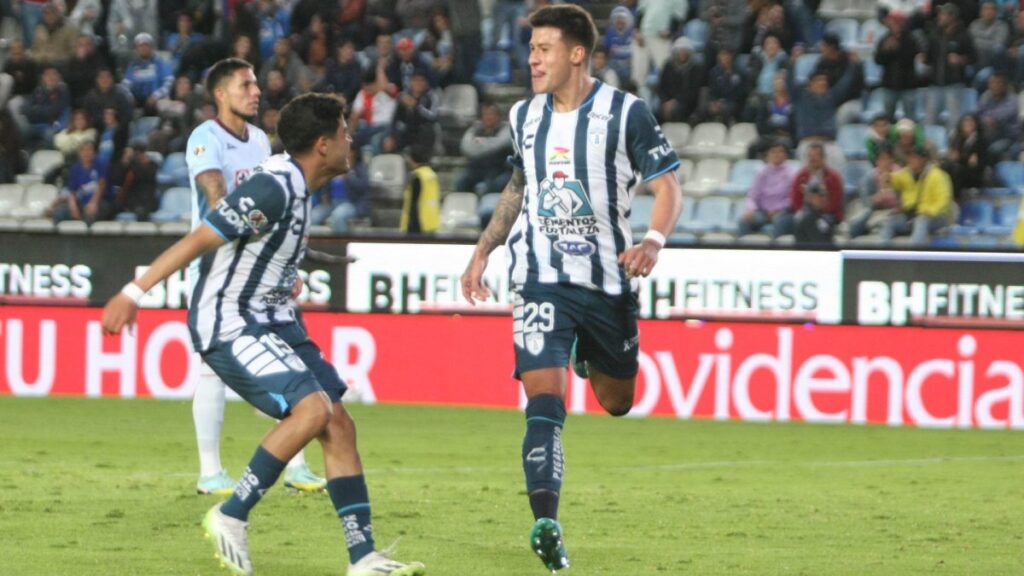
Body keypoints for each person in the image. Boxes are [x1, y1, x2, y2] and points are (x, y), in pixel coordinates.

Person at [101, 92, 427, 576]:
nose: (350, 139)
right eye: (343, 131)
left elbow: (258, 250)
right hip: (229, 321)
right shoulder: (274, 186)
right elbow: (200, 238)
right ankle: (231, 514)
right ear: (322, 144)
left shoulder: (297, 186)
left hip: (274, 317)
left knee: (338, 423)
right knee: (313, 409)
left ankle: (363, 558)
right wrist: (133, 290)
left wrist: (284, 275)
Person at [459, 5, 683, 572]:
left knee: (617, 401)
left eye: (544, 49)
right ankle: (546, 522)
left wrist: (653, 241)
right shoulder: (523, 116)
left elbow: (669, 188)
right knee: (544, 405)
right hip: (538, 279)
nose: (533, 59)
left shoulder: (626, 113)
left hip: (607, 283)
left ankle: (588, 353)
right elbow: (519, 183)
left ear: (577, 53)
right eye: (531, 48)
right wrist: (483, 250)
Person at [185, 58, 324, 496]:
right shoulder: (205, 139)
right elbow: (216, 197)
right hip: (217, 271)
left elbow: (278, 205)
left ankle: (296, 467)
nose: (256, 91)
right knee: (212, 372)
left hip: (261, 270)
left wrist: (286, 265)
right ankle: (210, 473)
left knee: (288, 358)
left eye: (256, 83)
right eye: (245, 85)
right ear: (221, 94)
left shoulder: (262, 140)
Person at [881, 145, 954, 244]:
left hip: (935, 217)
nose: (911, 160)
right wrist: (888, 177)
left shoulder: (937, 175)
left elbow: (944, 200)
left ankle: (914, 255)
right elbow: (895, 179)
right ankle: (884, 254)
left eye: (914, 158)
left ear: (923, 160)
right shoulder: (906, 173)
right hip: (911, 215)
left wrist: (930, 211)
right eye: (910, 157)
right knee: (889, 222)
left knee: (921, 221)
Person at [738, 140, 796, 238]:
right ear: (768, 155)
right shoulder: (762, 173)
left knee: (780, 222)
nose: (777, 154)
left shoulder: (792, 173)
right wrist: (751, 210)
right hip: (763, 212)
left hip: (783, 212)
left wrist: (777, 209)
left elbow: (793, 198)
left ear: (786, 155)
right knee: (744, 221)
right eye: (773, 152)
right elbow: (752, 196)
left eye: (780, 151)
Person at [455, 100, 513, 194]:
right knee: (461, 183)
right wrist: (488, 143)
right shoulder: (475, 130)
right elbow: (466, 147)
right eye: (485, 114)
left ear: (498, 116)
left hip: (499, 170)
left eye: (491, 114)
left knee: (495, 185)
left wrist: (480, 143)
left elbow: (499, 144)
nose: (488, 117)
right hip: (477, 169)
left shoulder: (506, 130)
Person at [400, 144, 440, 233]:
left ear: (412, 159)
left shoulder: (417, 176)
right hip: (431, 224)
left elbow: (413, 204)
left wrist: (409, 227)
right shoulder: (432, 174)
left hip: (418, 226)